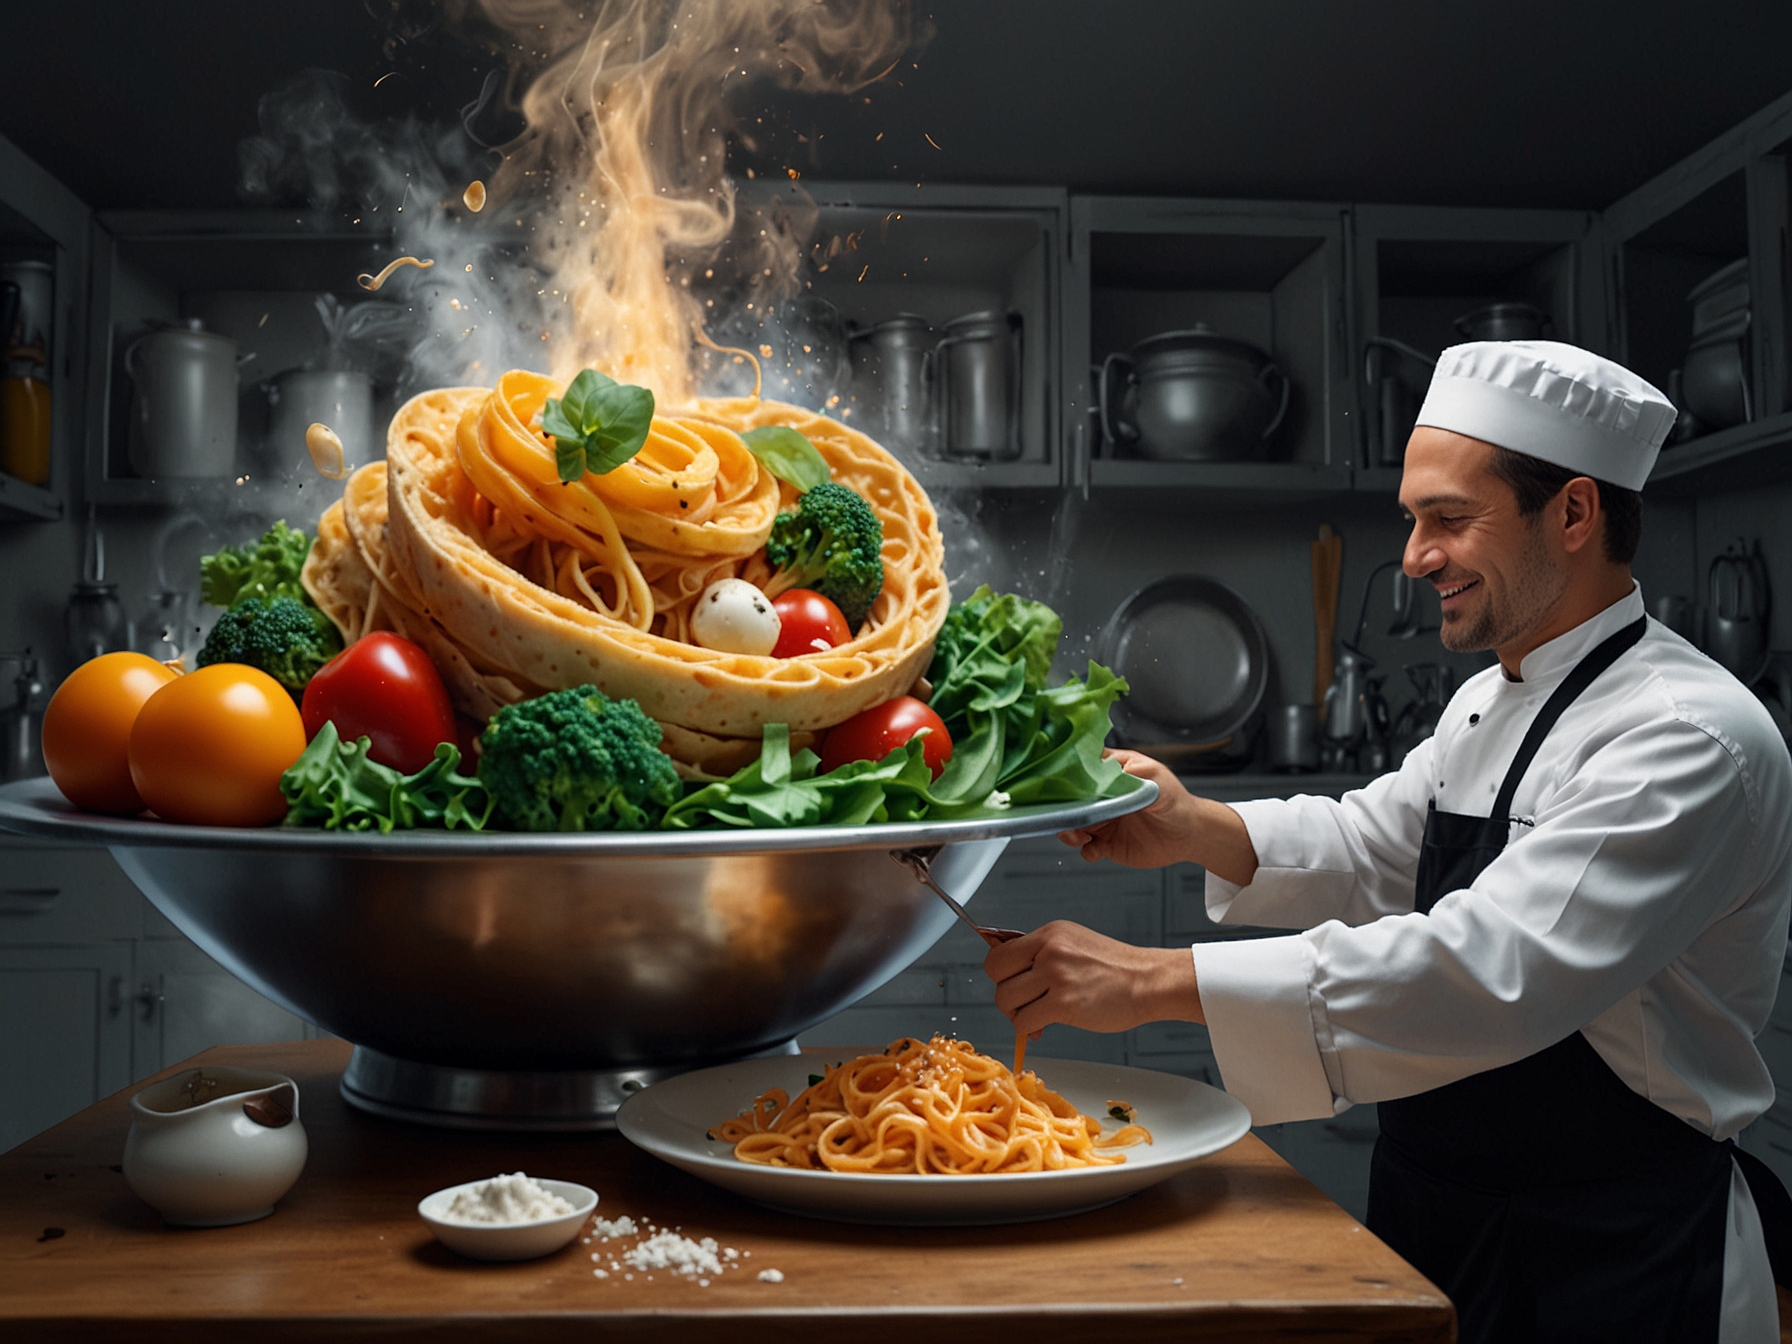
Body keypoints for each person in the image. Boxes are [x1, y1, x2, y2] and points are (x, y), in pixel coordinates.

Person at [988, 341, 1792, 1344]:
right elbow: (1379, 846)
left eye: (1448, 520)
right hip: (1439, 1212)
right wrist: (1196, 828)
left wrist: (1152, 982)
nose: (1413, 557)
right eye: (1414, 522)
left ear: (1575, 514)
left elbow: (1492, 969)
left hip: (1612, 1252)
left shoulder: (1687, 736)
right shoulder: (1485, 698)